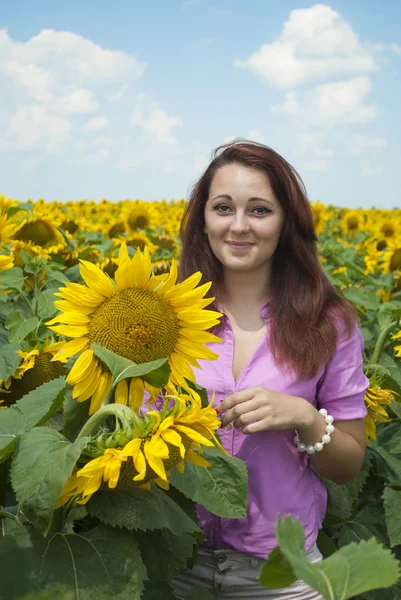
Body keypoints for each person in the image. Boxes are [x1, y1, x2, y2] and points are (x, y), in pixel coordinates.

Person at [171, 140, 370, 599]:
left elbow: (348, 466)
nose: (238, 226)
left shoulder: (328, 323)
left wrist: (304, 416)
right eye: (223, 207)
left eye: (259, 210)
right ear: (203, 218)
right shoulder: (164, 315)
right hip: (174, 562)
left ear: (287, 223)